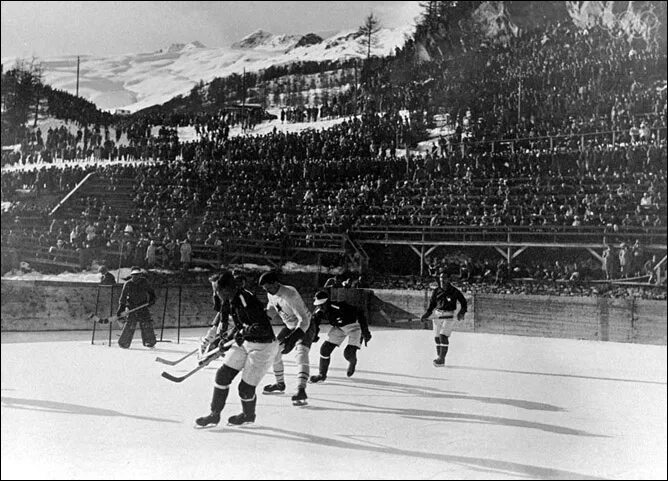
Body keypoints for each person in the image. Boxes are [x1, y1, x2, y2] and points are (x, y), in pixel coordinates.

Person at [195, 270, 278, 427]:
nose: (215, 293)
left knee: (245, 388)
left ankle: (248, 416)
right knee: (222, 375)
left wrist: (241, 333)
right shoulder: (230, 299)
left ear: (226, 289)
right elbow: (240, 324)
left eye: (216, 290)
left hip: (263, 346)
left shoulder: (245, 299)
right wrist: (226, 338)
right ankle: (214, 415)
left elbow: (262, 327)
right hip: (245, 342)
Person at [258, 271, 315, 405]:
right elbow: (271, 309)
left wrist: (293, 338)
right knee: (274, 351)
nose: (268, 291)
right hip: (290, 326)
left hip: (305, 326)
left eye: (269, 288)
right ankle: (279, 384)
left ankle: (301, 389)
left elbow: (304, 320)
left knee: (301, 353)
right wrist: (261, 320)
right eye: (266, 289)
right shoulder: (270, 294)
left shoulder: (290, 294)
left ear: (276, 283)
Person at [309, 290, 371, 383]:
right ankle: (322, 375)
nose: (320, 307)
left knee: (348, 353)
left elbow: (360, 313)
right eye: (318, 305)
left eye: (322, 304)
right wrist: (314, 336)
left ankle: (352, 362)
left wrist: (365, 332)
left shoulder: (339, 307)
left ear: (327, 302)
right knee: (325, 349)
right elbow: (315, 324)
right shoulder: (319, 312)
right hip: (338, 328)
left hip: (354, 326)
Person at [420, 271, 467, 367]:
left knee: (443, 336)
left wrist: (461, 312)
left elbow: (464, 302)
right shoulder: (436, 291)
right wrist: (426, 314)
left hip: (449, 315)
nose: (442, 280)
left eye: (444, 278)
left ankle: (442, 359)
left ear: (449, 279)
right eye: (441, 278)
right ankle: (439, 357)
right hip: (437, 315)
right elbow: (432, 304)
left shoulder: (454, 291)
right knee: (437, 338)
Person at [116, 266, 157, 349]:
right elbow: (123, 299)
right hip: (132, 307)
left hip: (143, 306)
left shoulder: (144, 282)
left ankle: (149, 341)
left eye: (137, 275)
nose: (136, 277)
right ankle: (124, 343)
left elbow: (151, 293)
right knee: (130, 324)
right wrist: (121, 309)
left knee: (146, 323)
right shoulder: (128, 284)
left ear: (140, 275)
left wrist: (152, 300)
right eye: (134, 275)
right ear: (131, 275)